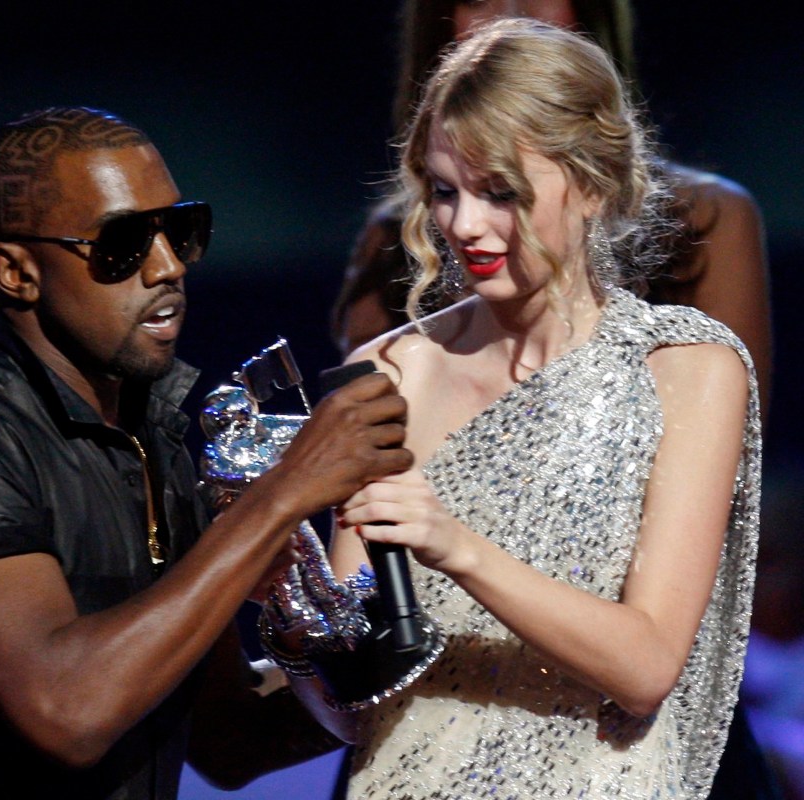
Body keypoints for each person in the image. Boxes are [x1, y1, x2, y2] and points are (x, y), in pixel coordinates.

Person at [0, 106, 413, 799]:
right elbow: (68, 710)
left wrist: (419, 663)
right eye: (124, 243)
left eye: (180, 229)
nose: (168, 266)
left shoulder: (154, 435)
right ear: (16, 272)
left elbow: (229, 738)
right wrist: (285, 493)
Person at [285, 19, 760, 798]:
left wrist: (453, 544)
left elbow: (644, 669)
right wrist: (285, 580)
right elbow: (349, 707)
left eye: (500, 191)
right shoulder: (387, 372)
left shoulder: (684, 369)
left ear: (595, 182)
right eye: (444, 190)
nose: (464, 225)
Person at [331, 0, 772, 423]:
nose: (509, 15)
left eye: (504, 193)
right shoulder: (392, 270)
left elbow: (722, 464)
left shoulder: (705, 223)